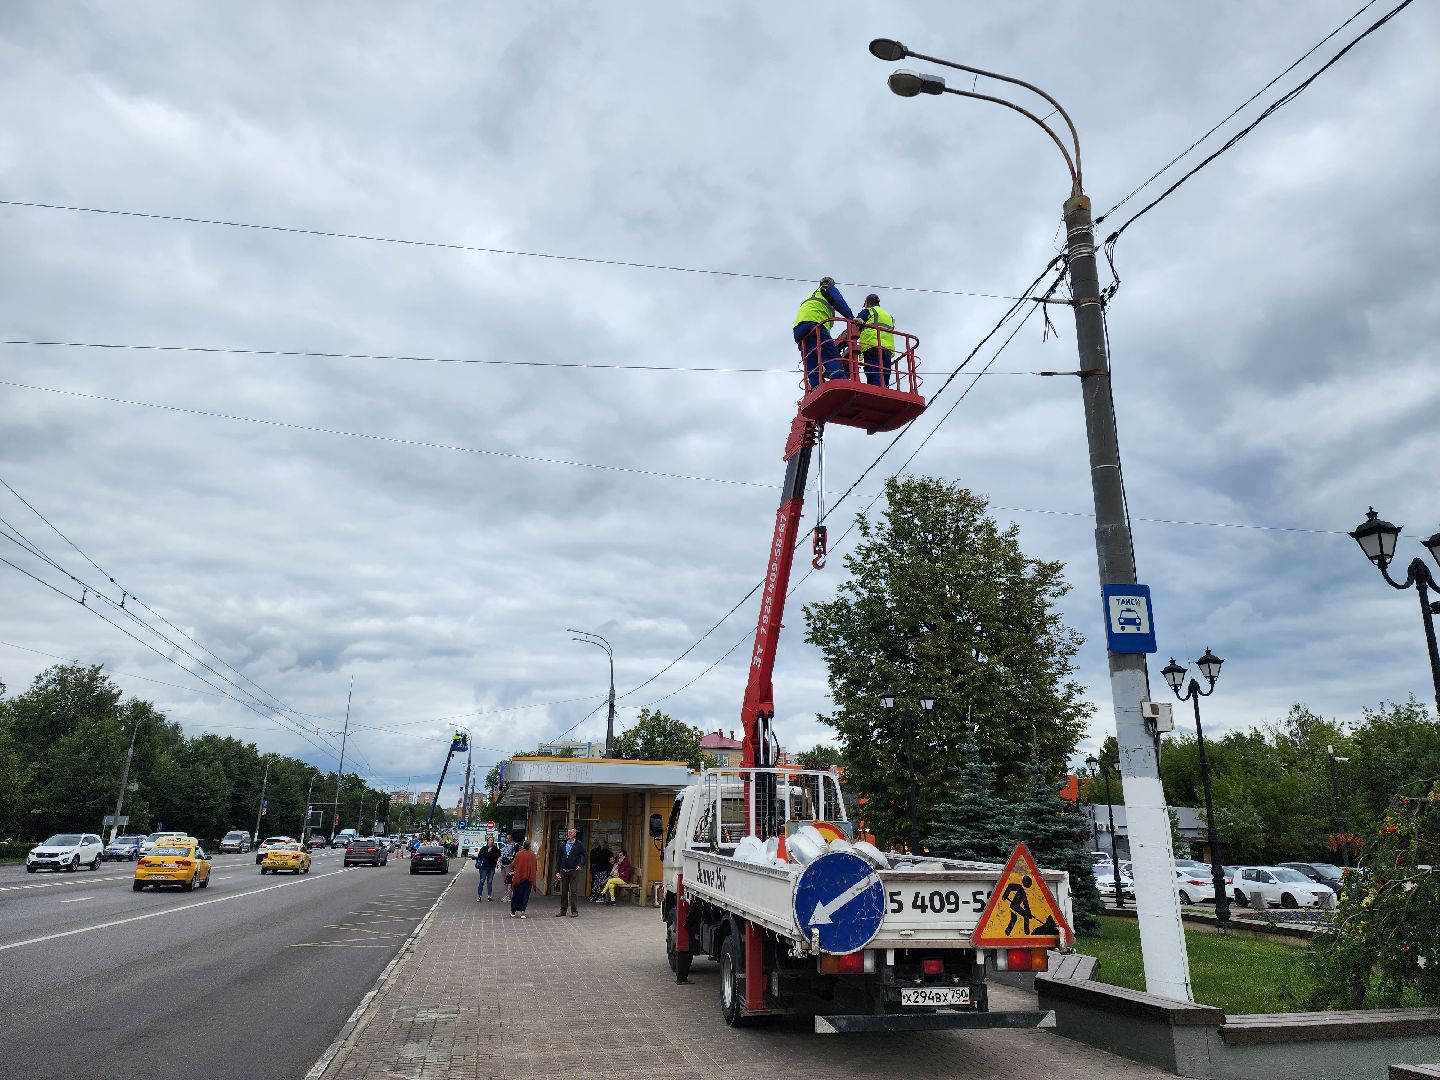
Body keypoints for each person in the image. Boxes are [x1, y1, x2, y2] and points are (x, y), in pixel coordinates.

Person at [793, 277, 855, 390]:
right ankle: (839, 380)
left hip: (799, 330)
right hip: (814, 323)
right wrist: (852, 318)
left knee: (811, 358)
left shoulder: (813, 295)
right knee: (829, 355)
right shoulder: (827, 289)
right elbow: (839, 301)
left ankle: (816, 387)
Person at [855, 293, 895, 388]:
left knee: (873, 371)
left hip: (871, 345)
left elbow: (855, 323)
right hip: (887, 348)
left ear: (867, 303)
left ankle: (878, 390)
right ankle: (885, 391)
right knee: (885, 373)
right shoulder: (889, 316)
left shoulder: (869, 311)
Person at [554, 826, 586, 917]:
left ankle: (574, 911)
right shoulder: (563, 844)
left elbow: (585, 855)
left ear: (575, 834)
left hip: (573, 871)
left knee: (574, 891)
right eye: (568, 832)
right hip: (564, 870)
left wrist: (580, 865)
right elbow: (558, 858)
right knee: (564, 891)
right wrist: (557, 871)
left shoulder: (578, 844)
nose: (569, 834)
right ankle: (563, 911)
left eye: (571, 833)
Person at [509, 837, 537, 918]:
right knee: (525, 895)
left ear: (523, 846)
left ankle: (513, 911)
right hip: (528, 879)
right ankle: (523, 911)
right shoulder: (533, 855)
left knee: (516, 895)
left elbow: (513, 865)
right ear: (530, 846)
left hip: (518, 878)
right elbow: (535, 867)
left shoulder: (518, 854)